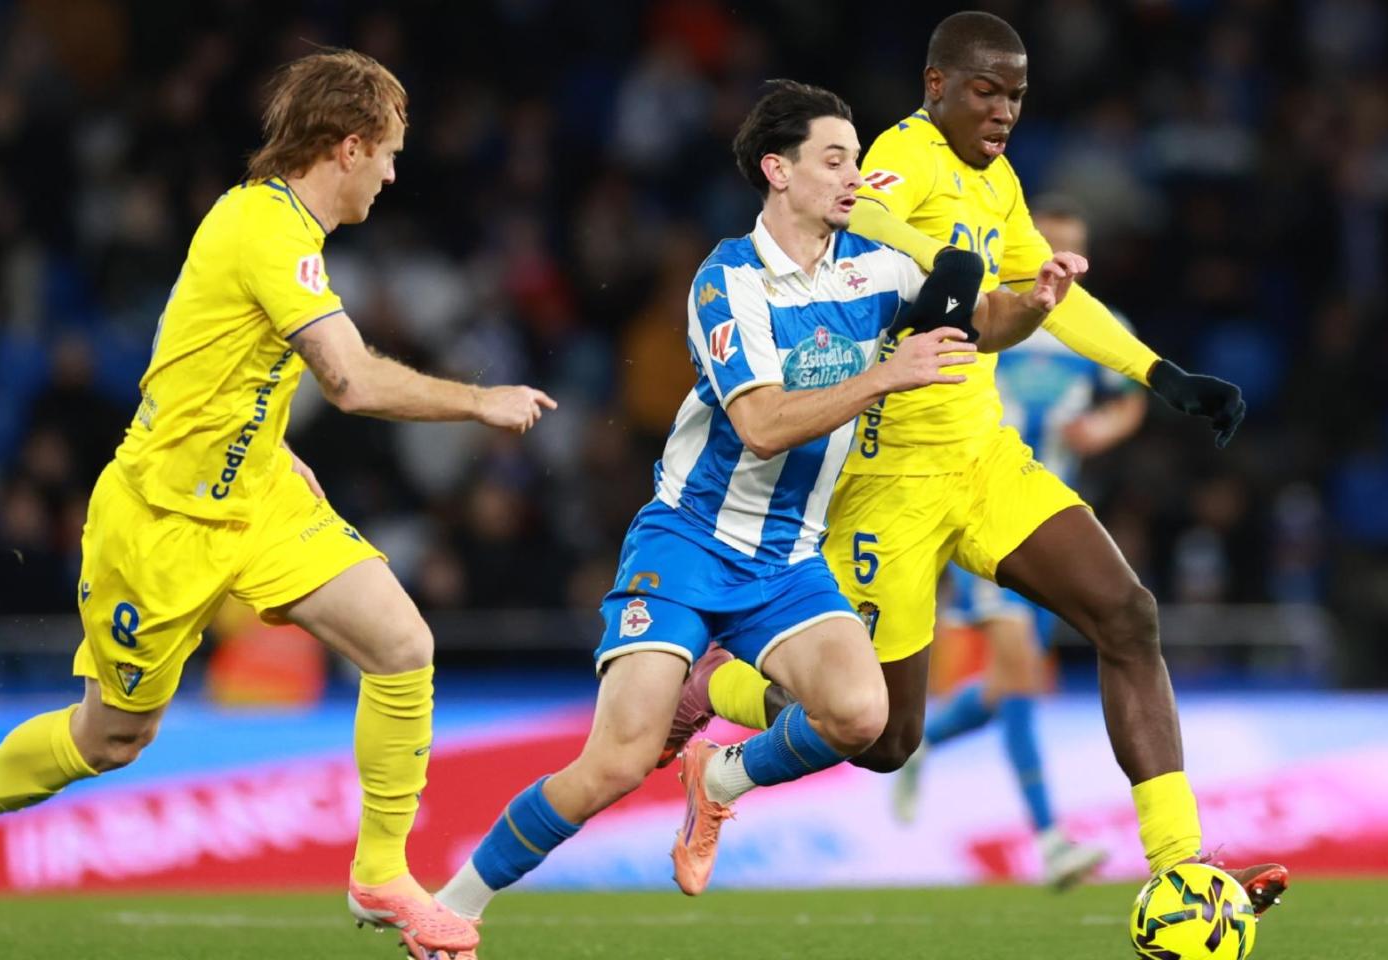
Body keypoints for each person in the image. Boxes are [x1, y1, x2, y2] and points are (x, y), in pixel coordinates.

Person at [432, 80, 1083, 939]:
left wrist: (1032, 304)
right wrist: (886, 374)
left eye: (857, 159)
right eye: (835, 160)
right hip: (690, 543)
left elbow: (976, 321)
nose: (856, 177)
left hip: (788, 560)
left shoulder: (876, 266)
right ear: (778, 170)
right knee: (615, 763)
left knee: (864, 715)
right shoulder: (728, 281)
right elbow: (763, 426)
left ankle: (719, 776)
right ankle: (451, 909)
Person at [671, 13, 1288, 911]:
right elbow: (866, 210)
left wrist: (1158, 373)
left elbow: (1046, 296)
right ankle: (715, 700)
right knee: (885, 737)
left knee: (1127, 616)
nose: (1003, 112)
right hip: (885, 481)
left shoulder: (997, 181)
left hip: (983, 458)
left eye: (1017, 97)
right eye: (986, 92)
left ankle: (1179, 863)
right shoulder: (905, 152)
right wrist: (941, 259)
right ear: (938, 86)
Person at [0, 49, 555, 960]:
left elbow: (199, 352)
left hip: (259, 498)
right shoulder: (265, 230)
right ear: (348, 147)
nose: (393, 175)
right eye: (389, 154)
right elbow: (351, 382)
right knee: (112, 737)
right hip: (164, 522)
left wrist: (269, 445)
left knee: (403, 646)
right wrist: (481, 401)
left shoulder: (275, 230)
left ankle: (381, 870)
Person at [893, 201, 1147, 890]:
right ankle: (1051, 840)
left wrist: (1106, 428)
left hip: (1049, 524)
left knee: (1009, 684)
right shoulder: (991, 316)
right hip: (982, 515)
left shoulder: (1097, 327)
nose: (1059, 264)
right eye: (1047, 246)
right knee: (1021, 678)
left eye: (1073, 252)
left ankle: (919, 743)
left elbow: (1129, 397)